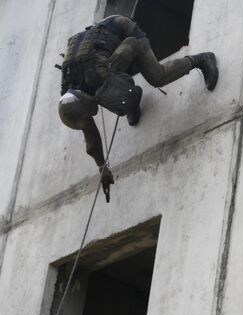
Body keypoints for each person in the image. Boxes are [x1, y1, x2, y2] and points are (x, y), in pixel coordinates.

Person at [58, 15, 219, 197]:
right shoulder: (71, 95)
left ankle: (201, 60)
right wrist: (102, 167)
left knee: (157, 77)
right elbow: (91, 137)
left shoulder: (99, 74)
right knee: (107, 92)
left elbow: (132, 44)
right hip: (104, 48)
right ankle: (132, 99)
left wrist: (126, 81)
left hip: (123, 30)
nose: (89, 119)